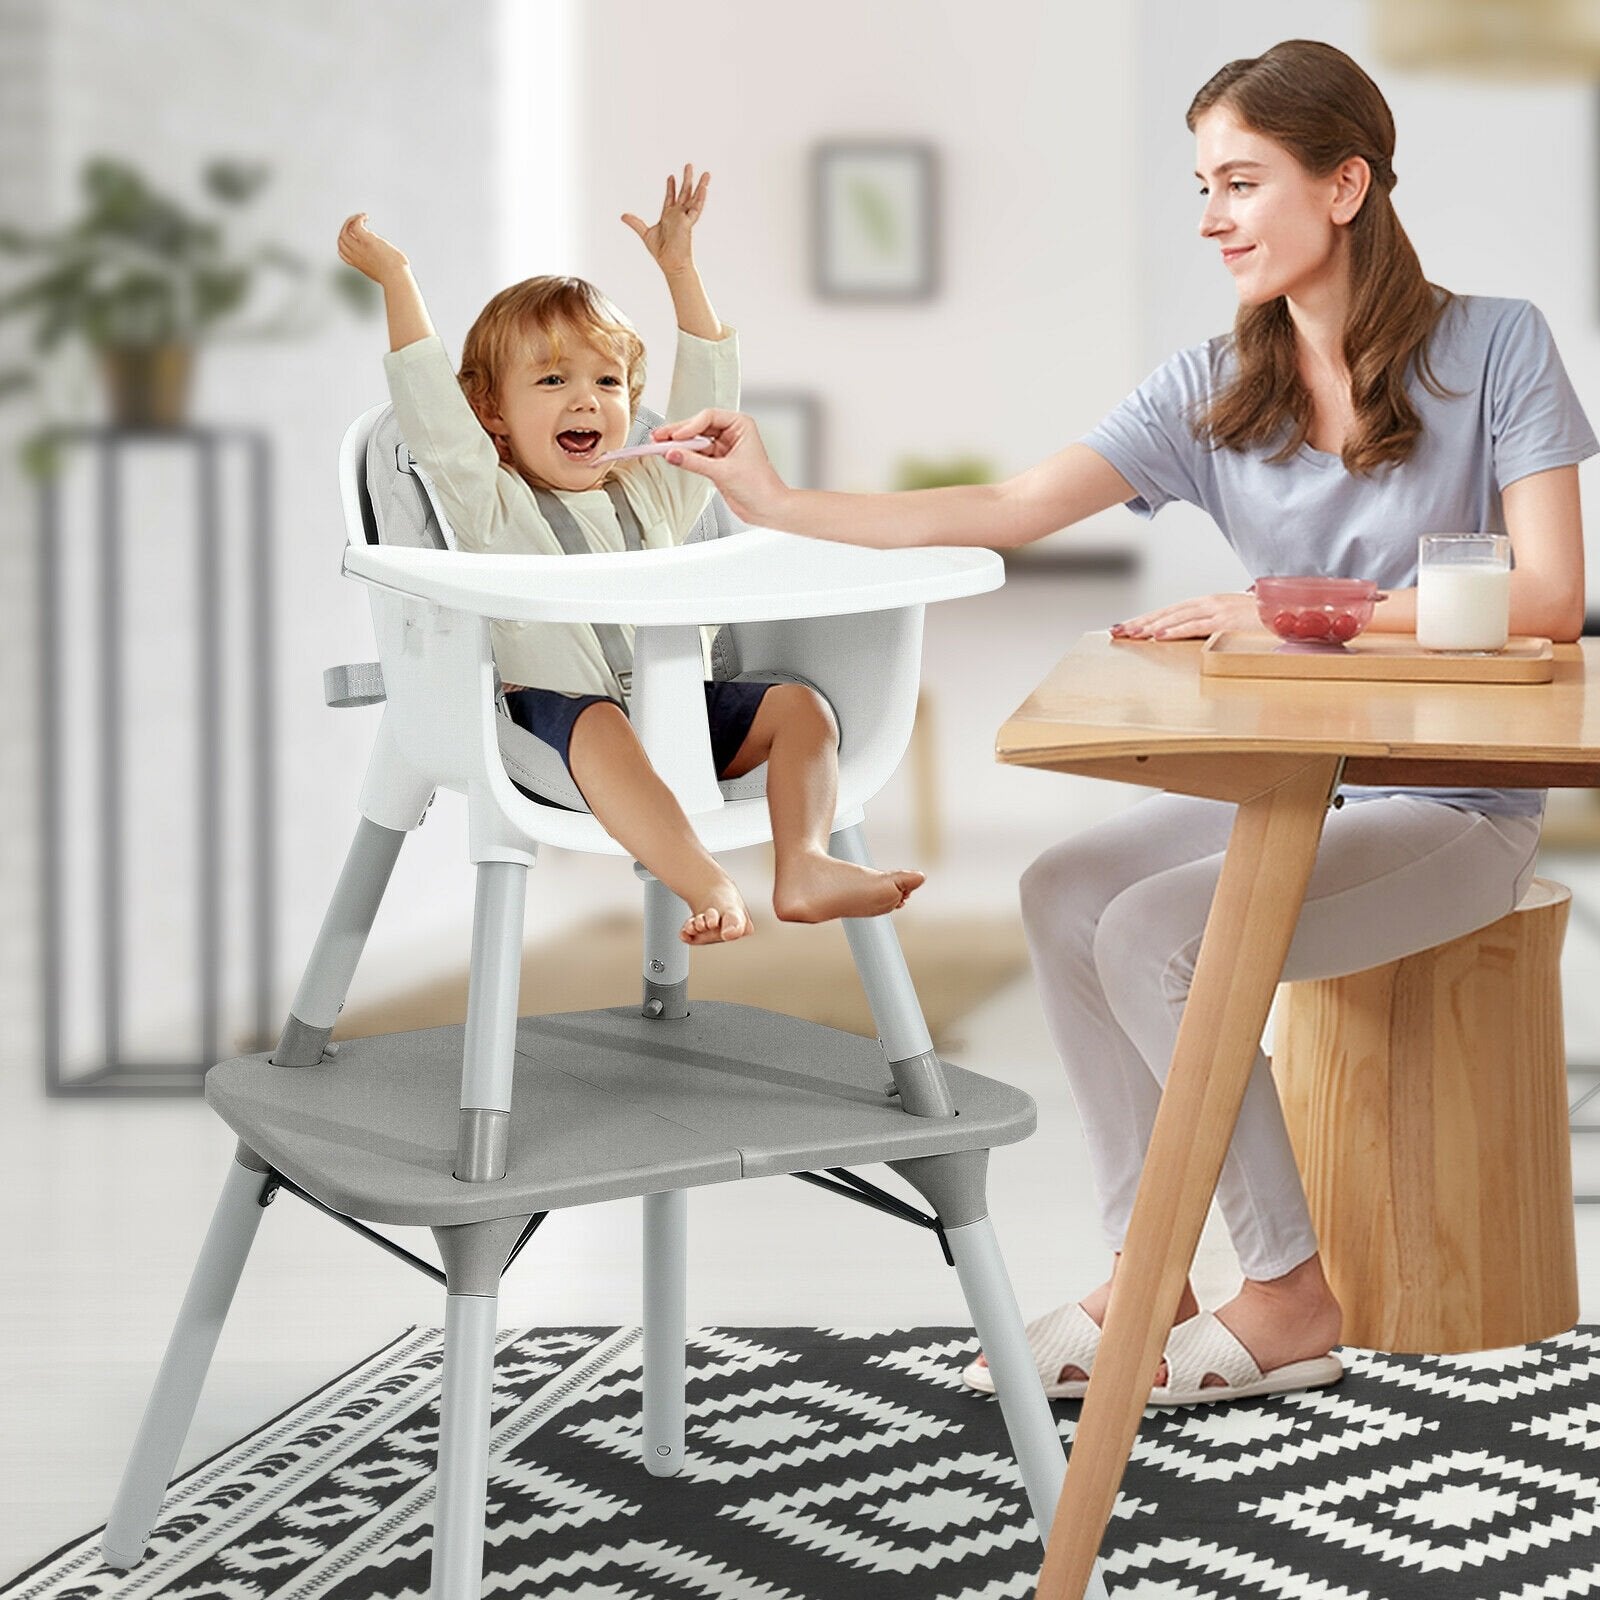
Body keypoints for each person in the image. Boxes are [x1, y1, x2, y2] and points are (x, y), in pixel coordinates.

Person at [653, 42, 1595, 1403]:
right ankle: (1140, 1270)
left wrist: (1289, 613)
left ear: (1346, 184)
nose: (1212, 215)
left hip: (1452, 806)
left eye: (1242, 181)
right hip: (1298, 792)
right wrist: (780, 500)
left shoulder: (1495, 343)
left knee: (1157, 930)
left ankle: (1285, 1288)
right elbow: (1008, 507)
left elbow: (1553, 598)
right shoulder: (1216, 386)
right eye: (1203, 184)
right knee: (1060, 887)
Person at [337, 169, 922, 947]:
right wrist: (398, 281)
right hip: (556, 718)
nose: (587, 400)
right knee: (604, 723)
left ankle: (806, 862)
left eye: (608, 381)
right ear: (493, 416)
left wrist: (680, 270)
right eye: (552, 380)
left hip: (679, 707)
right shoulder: (490, 502)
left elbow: (709, 407)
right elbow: (433, 419)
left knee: (800, 707)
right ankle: (703, 880)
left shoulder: (650, 489)